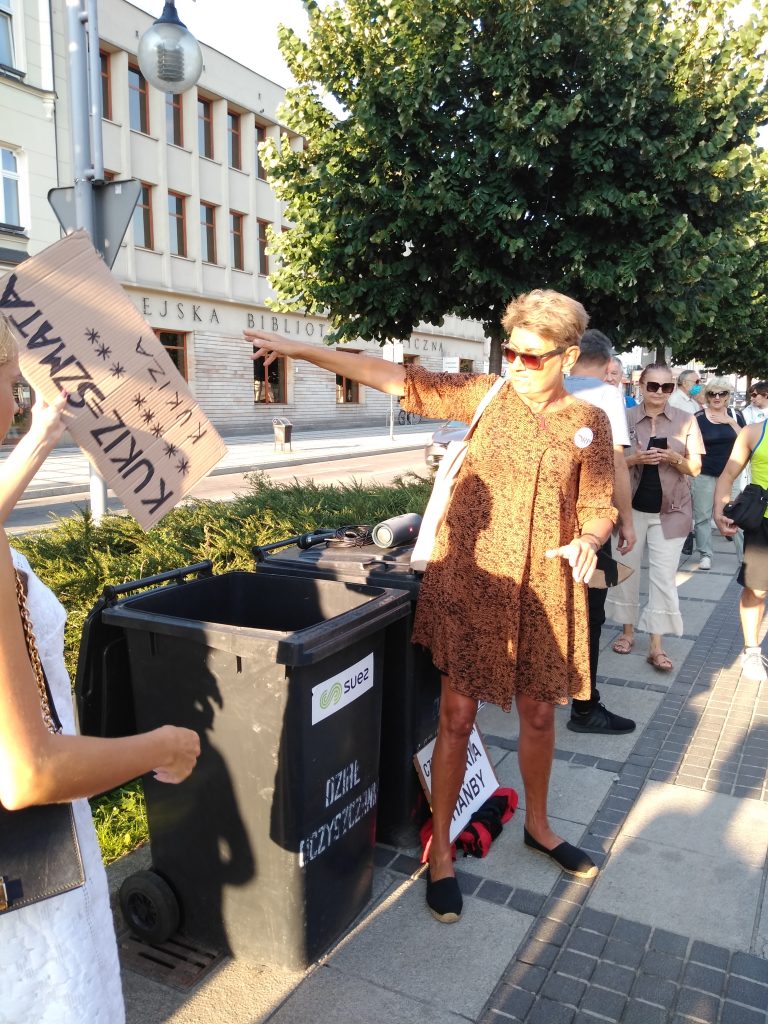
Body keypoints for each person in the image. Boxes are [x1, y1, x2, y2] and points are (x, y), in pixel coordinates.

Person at [246, 289, 618, 924]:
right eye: (510, 352)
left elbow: (600, 502)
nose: (516, 366)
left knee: (539, 716)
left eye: (531, 358)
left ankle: (540, 826)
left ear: (568, 355)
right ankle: (440, 849)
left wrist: (589, 539)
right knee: (455, 715)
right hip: (472, 583)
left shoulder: (589, 422)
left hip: (545, 587)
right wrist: (302, 351)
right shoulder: (486, 396)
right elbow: (396, 378)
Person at [0, 319, 201, 1023]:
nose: (20, 398)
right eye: (10, 379)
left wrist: (43, 435)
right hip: (25, 884)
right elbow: (33, 773)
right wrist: (166, 747)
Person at [606, 364, 704, 672]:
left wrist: (673, 458)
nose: (659, 393)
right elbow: (611, 462)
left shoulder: (686, 420)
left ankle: (656, 645)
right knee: (627, 573)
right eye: (653, 386)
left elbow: (695, 468)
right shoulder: (625, 419)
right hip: (631, 509)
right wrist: (637, 458)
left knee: (663, 579)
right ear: (641, 386)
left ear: (673, 389)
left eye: (666, 387)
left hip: (672, 512)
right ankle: (627, 632)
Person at [563, 330, 636, 734]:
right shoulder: (606, 395)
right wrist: (625, 520)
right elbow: (616, 466)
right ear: (609, 364)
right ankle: (584, 707)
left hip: (541, 521)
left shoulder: (546, 390)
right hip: (589, 523)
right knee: (589, 615)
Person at [714, 419, 768, 682]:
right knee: (756, 589)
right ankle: (751, 650)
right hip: (763, 524)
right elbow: (727, 475)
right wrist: (719, 511)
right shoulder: (755, 431)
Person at [692, 377, 744, 570]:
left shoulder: (735, 415)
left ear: (728, 396)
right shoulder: (698, 417)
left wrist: (729, 421)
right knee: (703, 514)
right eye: (712, 393)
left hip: (731, 473)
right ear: (707, 396)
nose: (717, 397)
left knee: (735, 513)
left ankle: (743, 556)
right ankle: (706, 554)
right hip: (705, 473)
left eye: (722, 393)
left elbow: (746, 439)